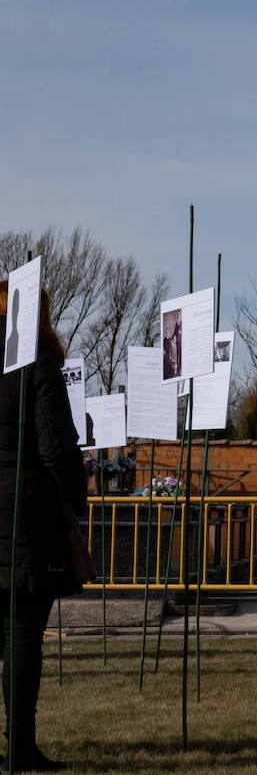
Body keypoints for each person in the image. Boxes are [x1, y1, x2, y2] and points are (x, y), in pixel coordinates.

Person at [0, 282, 87, 770]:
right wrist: (74, 502)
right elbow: (57, 444)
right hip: (25, 512)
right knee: (22, 632)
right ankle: (20, 746)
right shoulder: (37, 360)